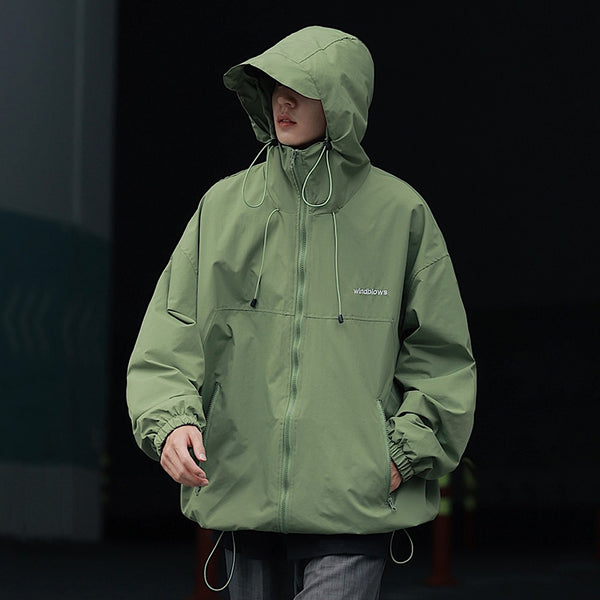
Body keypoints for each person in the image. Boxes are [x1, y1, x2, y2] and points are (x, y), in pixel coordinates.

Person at [126, 25, 476, 599]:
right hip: (244, 493)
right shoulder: (223, 207)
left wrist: (403, 448)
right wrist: (170, 420)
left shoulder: (401, 213)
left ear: (342, 97)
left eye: (302, 88)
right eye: (273, 87)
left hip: (352, 499)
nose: (283, 101)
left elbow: (443, 354)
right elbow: (170, 334)